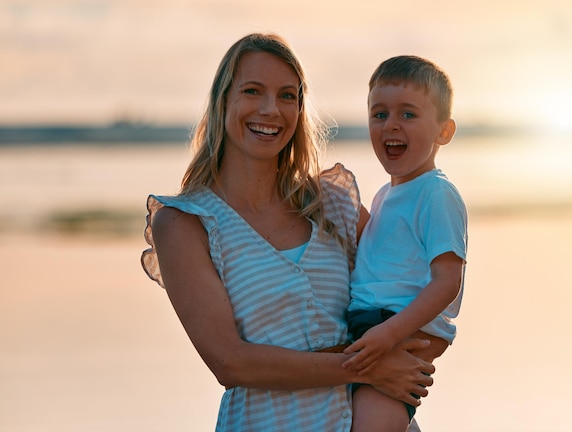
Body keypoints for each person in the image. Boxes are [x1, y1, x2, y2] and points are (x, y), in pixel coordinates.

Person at [140, 33, 435, 431]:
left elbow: (410, 279)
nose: (270, 110)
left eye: (287, 96)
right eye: (252, 91)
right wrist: (366, 368)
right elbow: (231, 362)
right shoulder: (184, 223)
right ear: (223, 100)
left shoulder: (333, 203)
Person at [341, 55, 468, 432]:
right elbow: (380, 251)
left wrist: (390, 334)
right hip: (372, 323)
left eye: (408, 114)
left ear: (443, 132)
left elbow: (448, 281)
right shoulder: (387, 194)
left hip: (397, 327)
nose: (391, 124)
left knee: (373, 420)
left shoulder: (436, 193)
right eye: (379, 114)